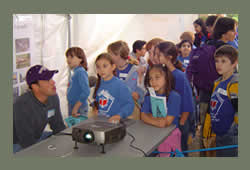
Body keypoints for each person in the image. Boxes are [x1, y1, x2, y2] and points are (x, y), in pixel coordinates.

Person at [13, 65, 66, 153]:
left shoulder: (53, 97)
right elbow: (27, 141)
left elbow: (58, 126)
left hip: (37, 137)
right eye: (47, 80)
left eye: (51, 78)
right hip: (17, 143)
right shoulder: (22, 105)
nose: (53, 82)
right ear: (35, 86)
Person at [155, 41, 194, 156]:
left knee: (180, 151)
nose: (157, 57)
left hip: (179, 121)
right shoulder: (163, 73)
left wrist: (182, 122)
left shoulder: (179, 75)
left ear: (169, 57)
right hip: (168, 119)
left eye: (159, 55)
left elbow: (187, 101)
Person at [141, 64, 182, 157]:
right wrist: (158, 121)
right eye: (150, 78)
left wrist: (150, 117)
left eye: (157, 77)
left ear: (167, 78)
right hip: (153, 135)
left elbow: (166, 122)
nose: (153, 81)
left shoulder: (174, 96)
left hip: (170, 137)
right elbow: (143, 116)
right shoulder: (149, 95)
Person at [210, 45, 238, 157]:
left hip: (231, 137)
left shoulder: (235, 84)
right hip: (218, 133)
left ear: (234, 63)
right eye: (217, 61)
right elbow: (211, 107)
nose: (219, 64)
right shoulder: (217, 82)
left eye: (223, 61)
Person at [92, 53, 134, 123]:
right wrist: (94, 108)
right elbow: (97, 102)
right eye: (98, 67)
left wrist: (119, 115)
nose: (101, 70)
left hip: (115, 123)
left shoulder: (120, 85)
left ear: (113, 67)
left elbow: (129, 105)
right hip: (101, 121)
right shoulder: (98, 83)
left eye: (105, 66)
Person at [107, 40, 144, 105]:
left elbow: (141, 95)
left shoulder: (136, 71)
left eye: (110, 54)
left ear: (119, 54)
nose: (108, 56)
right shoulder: (110, 71)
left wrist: (136, 95)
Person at [65, 47, 90, 118]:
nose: (68, 59)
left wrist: (76, 107)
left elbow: (86, 91)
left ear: (80, 59)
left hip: (78, 107)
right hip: (73, 105)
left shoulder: (80, 72)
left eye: (71, 57)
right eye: (67, 57)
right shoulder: (76, 72)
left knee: (78, 128)